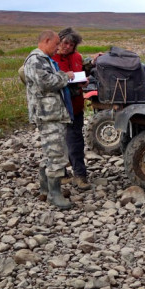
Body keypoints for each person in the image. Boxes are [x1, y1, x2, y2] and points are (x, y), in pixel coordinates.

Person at [24, 30, 75, 210]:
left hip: (52, 113)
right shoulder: (35, 60)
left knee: (51, 151)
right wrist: (65, 76)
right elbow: (46, 82)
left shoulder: (44, 60)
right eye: (55, 45)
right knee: (55, 153)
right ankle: (55, 194)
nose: (57, 49)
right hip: (48, 115)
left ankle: (45, 189)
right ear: (46, 41)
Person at [52, 27, 91, 191]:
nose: (67, 46)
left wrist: (84, 81)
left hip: (75, 106)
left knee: (76, 141)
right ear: (59, 41)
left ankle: (80, 175)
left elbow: (82, 73)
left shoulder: (77, 57)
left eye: (71, 44)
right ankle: (61, 174)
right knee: (57, 142)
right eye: (65, 43)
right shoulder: (50, 59)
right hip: (57, 108)